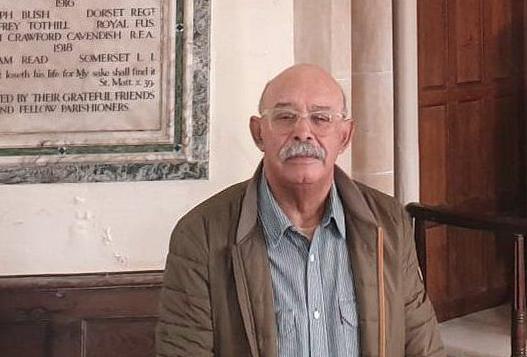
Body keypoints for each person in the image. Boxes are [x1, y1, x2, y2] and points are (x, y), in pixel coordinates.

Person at [156, 64, 445, 357]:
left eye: (321, 118)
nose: (303, 132)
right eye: (285, 117)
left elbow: (422, 346)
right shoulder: (202, 235)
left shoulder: (388, 222)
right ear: (259, 133)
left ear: (344, 136)